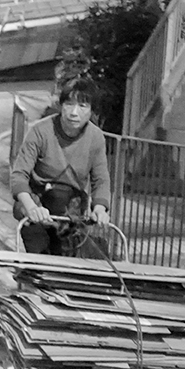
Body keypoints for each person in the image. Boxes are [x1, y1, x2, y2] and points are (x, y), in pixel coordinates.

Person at [10, 74, 112, 256]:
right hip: (38, 202)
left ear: (91, 111)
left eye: (82, 106)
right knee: (39, 258)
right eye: (69, 104)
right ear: (61, 105)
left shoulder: (95, 138)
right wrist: (31, 207)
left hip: (71, 209)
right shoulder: (40, 131)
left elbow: (101, 179)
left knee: (68, 262)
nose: (74, 113)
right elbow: (19, 175)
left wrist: (100, 209)